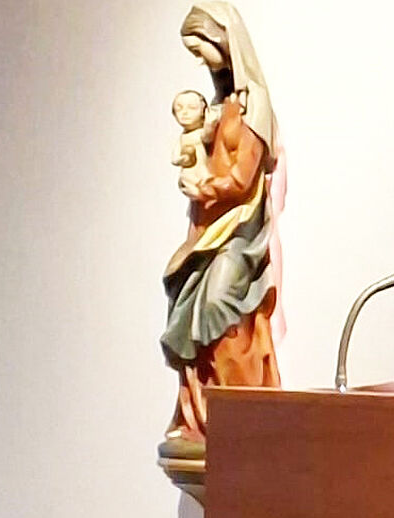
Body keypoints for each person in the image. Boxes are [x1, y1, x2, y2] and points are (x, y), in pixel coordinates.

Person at [158, 1, 285, 460]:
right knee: (186, 309)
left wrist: (203, 185)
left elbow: (243, 179)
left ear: (223, 43)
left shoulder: (254, 107)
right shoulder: (221, 106)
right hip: (208, 228)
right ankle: (199, 418)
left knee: (219, 308)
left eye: (200, 49)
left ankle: (240, 419)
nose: (198, 61)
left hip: (238, 230)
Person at [170, 89, 216, 199]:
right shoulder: (183, 137)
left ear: (203, 111)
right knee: (186, 181)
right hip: (188, 170)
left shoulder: (201, 133)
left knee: (206, 180)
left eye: (192, 108)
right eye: (179, 108)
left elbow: (208, 138)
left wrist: (210, 124)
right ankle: (200, 196)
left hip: (203, 168)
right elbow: (174, 159)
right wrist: (182, 159)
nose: (184, 113)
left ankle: (206, 197)